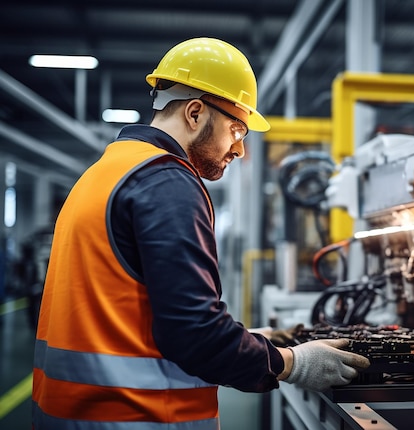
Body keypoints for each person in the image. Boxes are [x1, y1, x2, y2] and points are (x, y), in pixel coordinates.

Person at [31, 37, 370, 429]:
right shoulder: (166, 182)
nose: (239, 150)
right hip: (138, 418)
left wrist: (251, 340)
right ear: (195, 113)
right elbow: (194, 336)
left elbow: (131, 318)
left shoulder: (107, 172)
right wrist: (292, 362)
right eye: (237, 130)